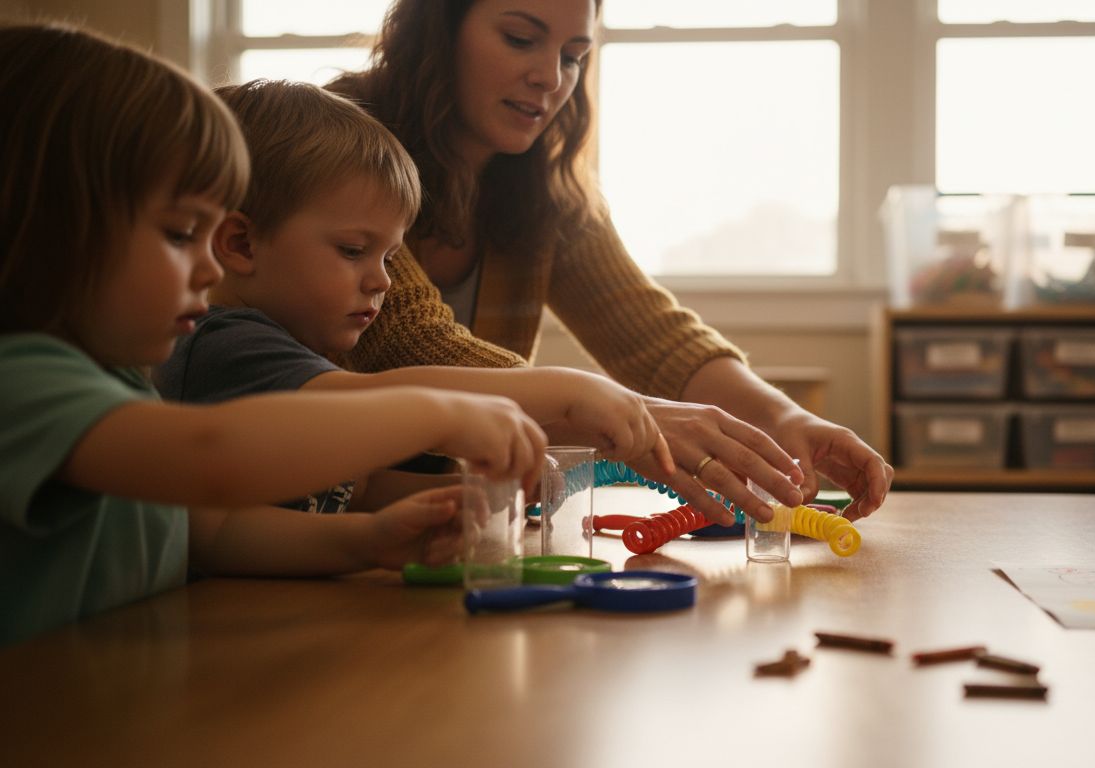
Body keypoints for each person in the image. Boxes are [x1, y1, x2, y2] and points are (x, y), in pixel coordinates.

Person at [0, 23, 548, 646]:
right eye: (181, 235)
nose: (208, 267)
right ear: (53, 232)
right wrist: (436, 412)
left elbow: (214, 529)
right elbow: (211, 460)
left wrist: (369, 539)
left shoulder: (119, 381)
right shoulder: (19, 383)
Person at [328, 0, 894, 524]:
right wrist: (614, 413)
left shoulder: (541, 184)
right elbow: (405, 342)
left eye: (574, 57)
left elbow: (653, 336)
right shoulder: (336, 143)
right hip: (321, 521)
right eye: (521, 38)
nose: (551, 78)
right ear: (439, 27)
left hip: (451, 524)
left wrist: (783, 418)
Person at [157, 79, 673, 515]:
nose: (383, 280)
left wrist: (475, 497)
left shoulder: (291, 352)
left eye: (388, 257)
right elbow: (369, 401)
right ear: (241, 243)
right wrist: (564, 390)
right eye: (354, 250)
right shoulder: (222, 345)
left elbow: (358, 491)